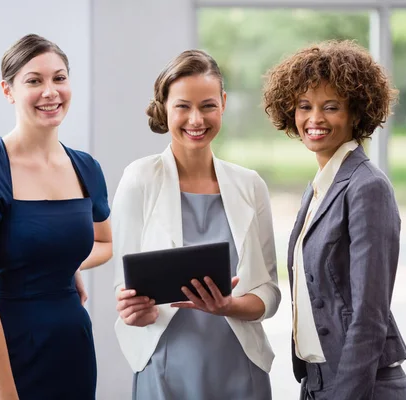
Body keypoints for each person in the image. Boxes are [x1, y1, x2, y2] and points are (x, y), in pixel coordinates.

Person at [0, 34, 112, 400]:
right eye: (34, 80)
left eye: (60, 78)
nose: (51, 91)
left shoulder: (86, 168)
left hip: (71, 349)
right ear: (8, 91)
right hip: (6, 353)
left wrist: (67, 265)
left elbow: (104, 242)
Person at [111, 49, 280, 400]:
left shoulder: (250, 185)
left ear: (223, 103)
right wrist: (133, 312)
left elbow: (269, 292)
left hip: (239, 365)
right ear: (165, 107)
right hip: (165, 365)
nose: (196, 119)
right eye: (183, 106)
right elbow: (122, 286)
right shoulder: (139, 179)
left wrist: (228, 306)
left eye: (207, 105)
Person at [263, 40, 406, 400]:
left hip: (360, 385)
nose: (314, 119)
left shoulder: (367, 187)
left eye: (331, 107)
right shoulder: (318, 188)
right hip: (316, 382)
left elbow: (370, 313)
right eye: (304, 106)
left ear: (356, 113)